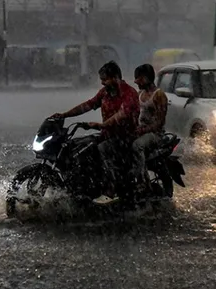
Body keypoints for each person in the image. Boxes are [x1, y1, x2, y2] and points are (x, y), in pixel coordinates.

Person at [51, 61, 139, 204]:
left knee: (103, 149)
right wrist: (64, 115)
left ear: (115, 77)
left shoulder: (130, 93)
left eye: (105, 79)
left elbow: (122, 114)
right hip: (106, 135)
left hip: (125, 138)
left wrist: (102, 124)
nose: (103, 83)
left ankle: (110, 191)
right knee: (77, 147)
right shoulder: (105, 93)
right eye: (101, 80)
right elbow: (88, 105)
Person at [131, 64, 168, 191]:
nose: (136, 81)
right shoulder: (139, 93)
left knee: (137, 146)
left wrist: (144, 130)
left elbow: (160, 122)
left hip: (155, 134)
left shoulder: (159, 95)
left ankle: (140, 180)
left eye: (138, 78)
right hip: (140, 131)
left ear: (146, 78)